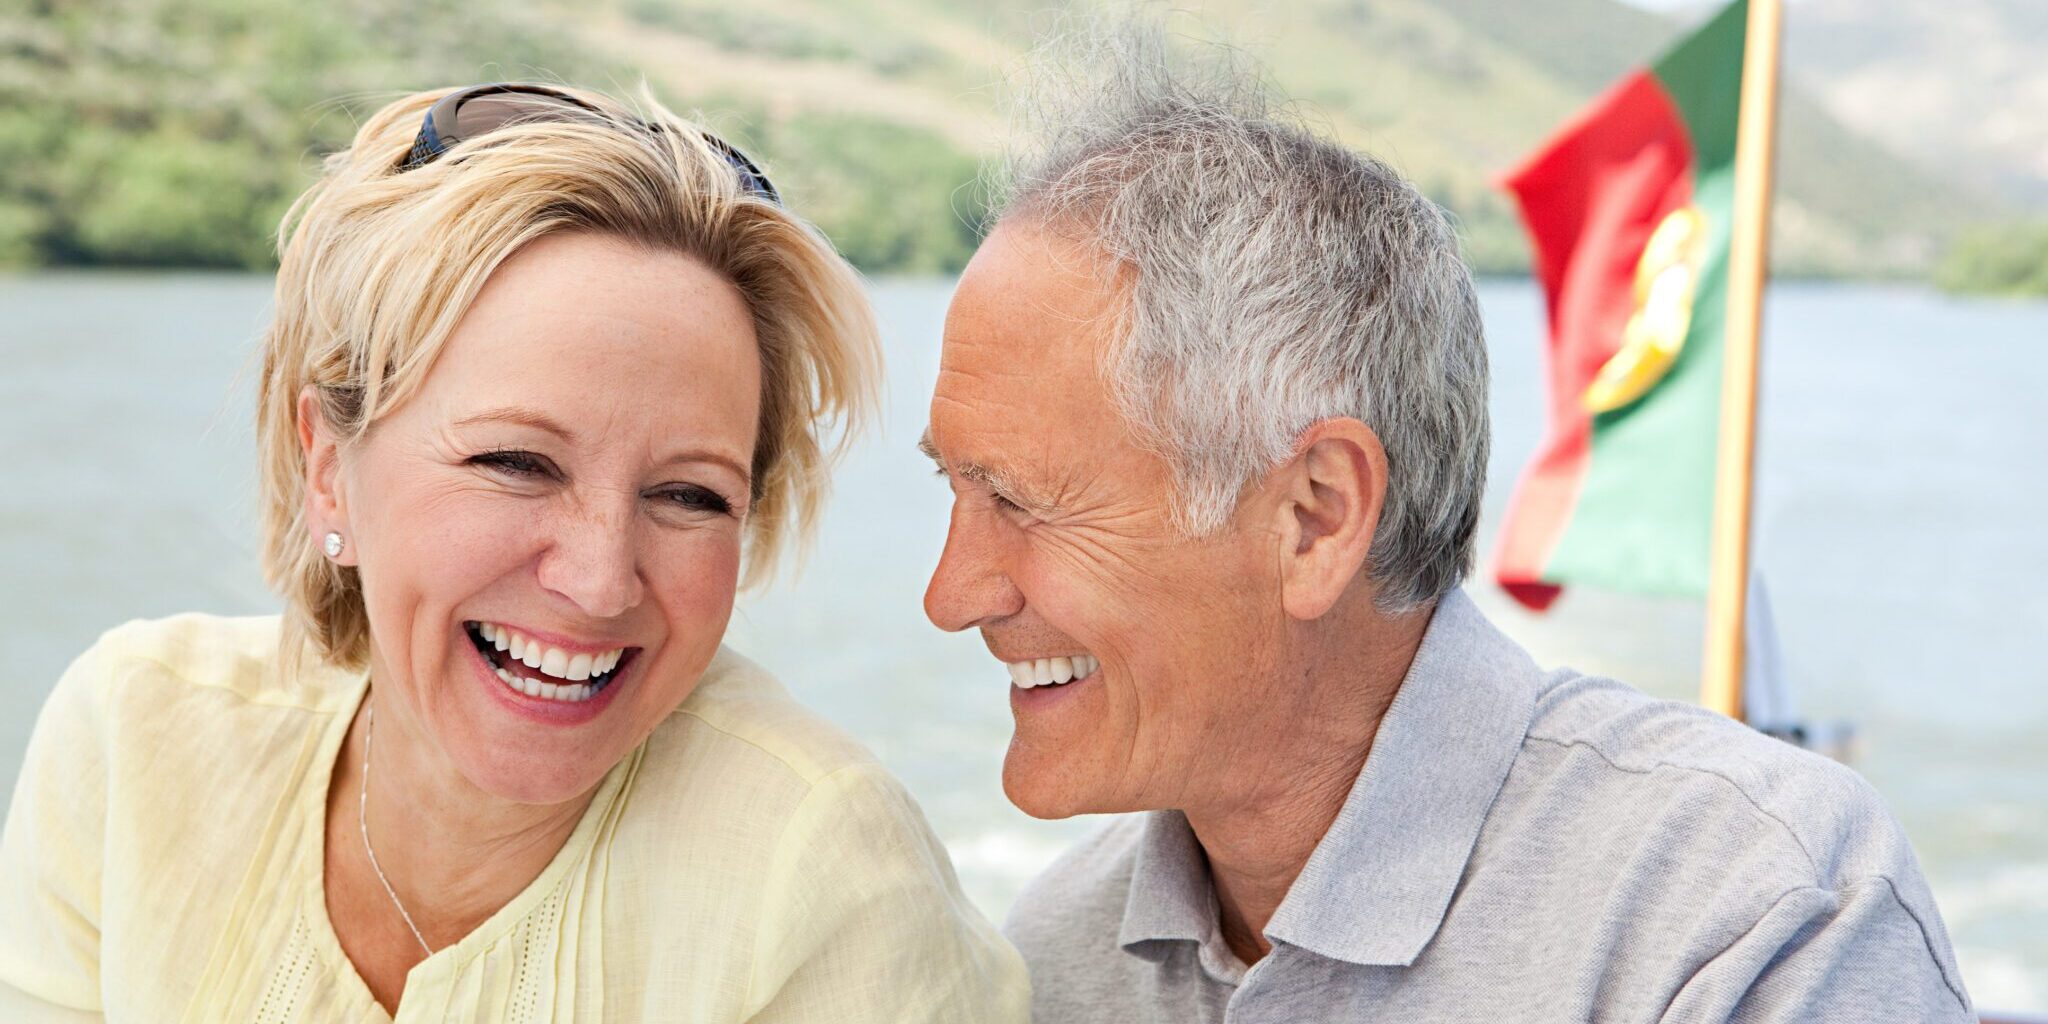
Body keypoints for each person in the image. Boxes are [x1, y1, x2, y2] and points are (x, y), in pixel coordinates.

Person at [918, 23, 1974, 1024]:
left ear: (1315, 518)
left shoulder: (1756, 909)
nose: (950, 592)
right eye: (951, 492)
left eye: (1017, 499)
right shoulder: (1057, 950)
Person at [0, 83, 1027, 1022]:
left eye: (685, 493)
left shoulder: (819, 878)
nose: (596, 579)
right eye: (517, 463)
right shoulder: (135, 739)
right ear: (327, 466)